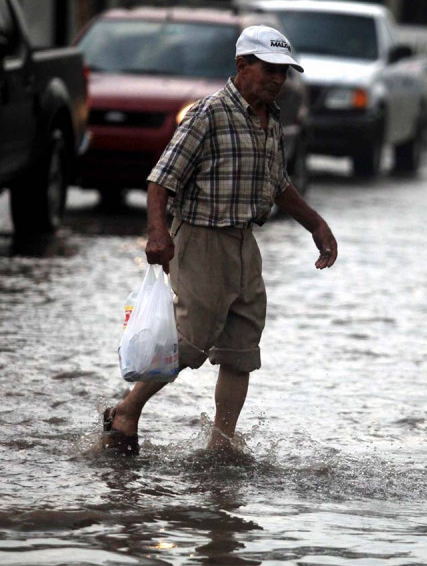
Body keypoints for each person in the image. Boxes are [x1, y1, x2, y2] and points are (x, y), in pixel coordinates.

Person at [101, 25, 337, 456]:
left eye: (284, 73)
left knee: (241, 348)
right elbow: (161, 180)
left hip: (245, 242)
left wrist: (316, 226)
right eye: (270, 70)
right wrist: (157, 233)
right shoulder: (207, 114)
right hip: (201, 239)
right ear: (242, 65)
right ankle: (126, 411)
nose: (278, 80)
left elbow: (278, 183)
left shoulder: (271, 118)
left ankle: (221, 443)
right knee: (190, 343)